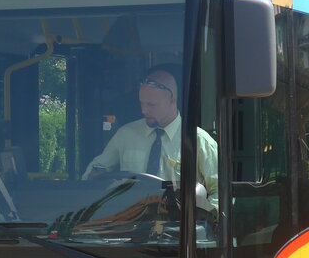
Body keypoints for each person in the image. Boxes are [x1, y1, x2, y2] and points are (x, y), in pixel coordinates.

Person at [83, 66, 218, 204]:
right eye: (141, 103)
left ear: (172, 100)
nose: (143, 110)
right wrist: (97, 178)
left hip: (179, 224)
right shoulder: (126, 134)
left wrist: (202, 221)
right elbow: (95, 171)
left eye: (151, 105)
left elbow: (219, 193)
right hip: (129, 220)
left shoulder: (200, 142)